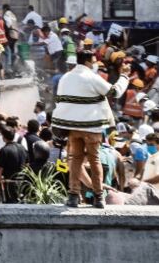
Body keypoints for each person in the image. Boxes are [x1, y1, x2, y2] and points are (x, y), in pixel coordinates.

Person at [53, 49, 131, 208]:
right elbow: (114, 92)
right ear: (89, 61)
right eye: (94, 60)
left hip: (72, 126)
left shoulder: (65, 78)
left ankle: (73, 195)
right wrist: (124, 76)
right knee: (94, 159)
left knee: (75, 159)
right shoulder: (92, 77)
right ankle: (98, 196)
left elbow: (61, 100)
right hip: (92, 128)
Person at [0, 128, 27, 204]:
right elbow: (27, 165)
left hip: (9, 183)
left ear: (3, 137)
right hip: (22, 182)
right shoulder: (22, 148)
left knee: (9, 204)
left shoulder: (4, 150)